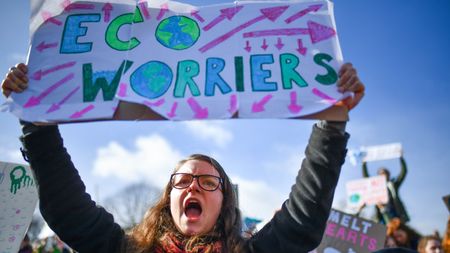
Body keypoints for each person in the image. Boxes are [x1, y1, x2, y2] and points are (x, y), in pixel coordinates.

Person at [2, 62, 364, 253]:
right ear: (168, 198)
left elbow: (302, 221)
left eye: (209, 182)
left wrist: (330, 126)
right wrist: (38, 124)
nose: (194, 186)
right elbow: (69, 211)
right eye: (183, 181)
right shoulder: (124, 250)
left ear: (224, 202)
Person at [362, 156, 410, 224]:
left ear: (388, 175)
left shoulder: (393, 184)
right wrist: (364, 164)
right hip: (381, 213)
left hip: (395, 212)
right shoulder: (376, 186)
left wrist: (401, 158)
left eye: (385, 173)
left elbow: (403, 172)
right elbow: (366, 177)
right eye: (381, 173)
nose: (383, 175)